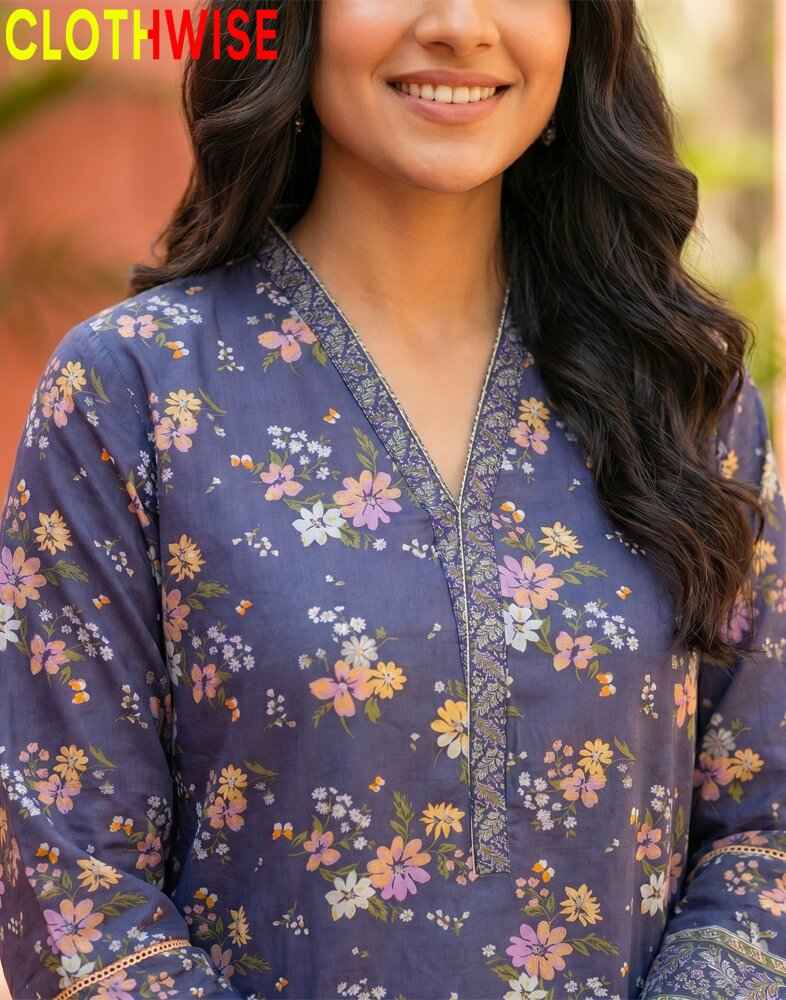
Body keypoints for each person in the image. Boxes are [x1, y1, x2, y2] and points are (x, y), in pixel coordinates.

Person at [1, 1, 785, 997]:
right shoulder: (136, 396)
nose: (461, 25)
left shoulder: (684, 400)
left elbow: (766, 829)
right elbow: (70, 882)